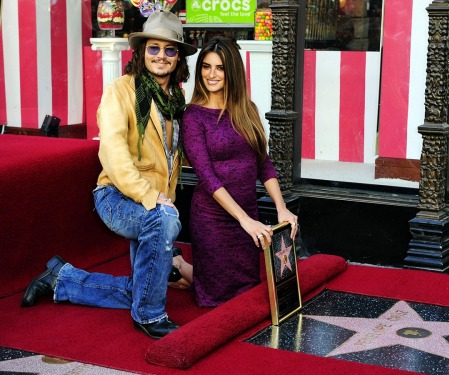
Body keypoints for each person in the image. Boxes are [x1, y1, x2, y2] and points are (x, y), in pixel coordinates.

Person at [20, 10, 196, 340]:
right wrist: (150, 197)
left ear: (178, 57)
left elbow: (175, 159)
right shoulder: (122, 90)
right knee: (163, 231)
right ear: (142, 52)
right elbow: (113, 152)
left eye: (169, 49)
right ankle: (149, 315)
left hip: (156, 203)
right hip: (117, 196)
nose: (161, 56)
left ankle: (62, 279)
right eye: (153, 48)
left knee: (141, 286)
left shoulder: (176, 99)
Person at [181, 37, 299, 307]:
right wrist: (245, 220)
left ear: (232, 71)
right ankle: (179, 266)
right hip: (213, 220)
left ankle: (181, 268)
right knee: (217, 300)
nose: (211, 74)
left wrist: (281, 207)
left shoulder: (248, 110)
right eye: (206, 67)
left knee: (247, 294)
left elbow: (263, 163)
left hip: (248, 216)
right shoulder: (193, 116)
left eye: (220, 68)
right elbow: (207, 178)